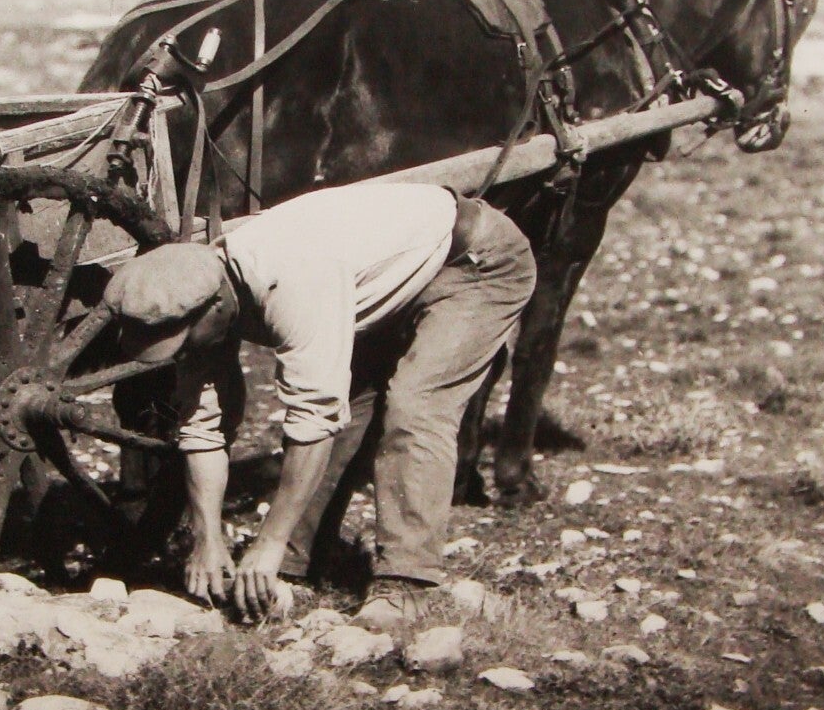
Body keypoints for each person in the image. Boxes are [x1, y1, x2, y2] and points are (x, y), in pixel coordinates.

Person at [102, 182, 536, 629]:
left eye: (183, 342)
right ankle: (290, 564)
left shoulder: (294, 280)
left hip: (475, 263)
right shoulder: (201, 286)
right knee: (350, 405)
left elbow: (313, 418)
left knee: (414, 407)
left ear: (215, 308)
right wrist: (206, 539)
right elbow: (204, 429)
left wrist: (265, 540)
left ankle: (405, 583)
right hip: (383, 276)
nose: (184, 354)